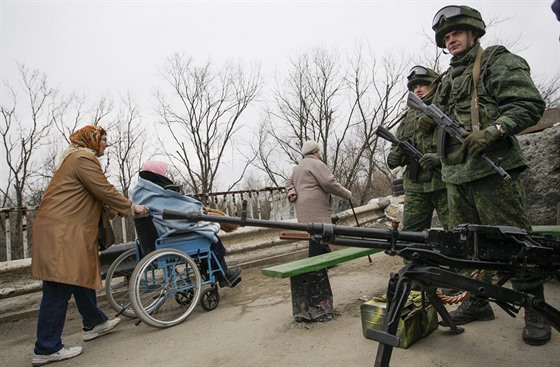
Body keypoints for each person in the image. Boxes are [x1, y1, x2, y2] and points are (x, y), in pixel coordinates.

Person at [421, 5, 549, 345]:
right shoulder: (445, 80)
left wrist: (493, 131)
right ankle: (477, 301)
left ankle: (535, 308)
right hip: (456, 178)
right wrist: (439, 152)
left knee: (515, 242)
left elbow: (528, 105)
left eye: (456, 33)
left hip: (494, 170)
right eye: (446, 37)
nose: (451, 40)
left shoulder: (495, 62)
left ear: (473, 32)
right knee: (466, 250)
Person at [31, 125, 149, 366]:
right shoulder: (83, 157)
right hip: (63, 232)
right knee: (58, 287)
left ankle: (94, 323)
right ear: (91, 140)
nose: (106, 144)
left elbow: (92, 197)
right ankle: (46, 348)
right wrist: (130, 207)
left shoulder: (73, 159)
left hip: (63, 230)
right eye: (103, 139)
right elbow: (103, 190)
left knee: (77, 277)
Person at [130, 160, 242, 287]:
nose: (166, 175)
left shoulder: (141, 193)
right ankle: (223, 275)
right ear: (157, 174)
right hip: (169, 235)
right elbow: (182, 209)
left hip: (160, 234)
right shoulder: (156, 195)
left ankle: (211, 270)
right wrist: (197, 208)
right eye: (164, 173)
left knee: (204, 232)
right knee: (209, 235)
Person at [387, 65, 449, 232]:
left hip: (445, 182)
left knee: (456, 233)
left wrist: (439, 158)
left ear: (435, 85)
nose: (418, 90)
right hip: (415, 186)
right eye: (414, 87)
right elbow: (397, 145)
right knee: (411, 236)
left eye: (423, 85)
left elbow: (462, 142)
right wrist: (394, 157)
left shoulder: (448, 109)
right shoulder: (407, 118)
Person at [285, 140, 353, 257]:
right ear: (315, 152)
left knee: (316, 233)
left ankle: (329, 260)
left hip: (302, 206)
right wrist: (347, 194)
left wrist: (292, 193)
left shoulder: (297, 167)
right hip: (315, 206)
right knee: (319, 233)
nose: (319, 154)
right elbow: (329, 183)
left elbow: (288, 183)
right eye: (319, 151)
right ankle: (314, 264)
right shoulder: (317, 164)